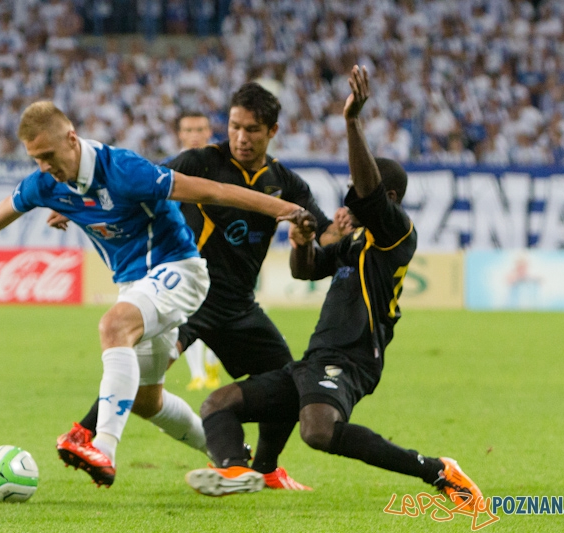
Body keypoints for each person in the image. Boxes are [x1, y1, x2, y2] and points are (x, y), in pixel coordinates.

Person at [0, 101, 316, 488]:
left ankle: (102, 449)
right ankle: (236, 465)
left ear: (71, 139)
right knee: (149, 401)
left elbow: (213, 191)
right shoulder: (45, 184)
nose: (45, 167)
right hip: (135, 283)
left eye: (49, 156)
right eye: (35, 159)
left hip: (180, 270)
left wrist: (286, 210)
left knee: (113, 325)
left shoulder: (125, 170)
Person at [184, 66, 483, 511]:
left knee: (317, 431)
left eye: (359, 195)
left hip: (354, 358)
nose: (348, 201)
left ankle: (438, 469)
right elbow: (306, 271)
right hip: (317, 359)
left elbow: (368, 191)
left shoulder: (396, 236)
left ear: (389, 202)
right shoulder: (354, 245)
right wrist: (302, 242)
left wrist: (352, 122)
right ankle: (236, 470)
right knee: (217, 403)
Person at [59, 82, 349, 491]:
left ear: (273, 131)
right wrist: (78, 208)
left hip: (239, 307)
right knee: (143, 377)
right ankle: (84, 434)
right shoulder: (200, 162)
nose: (241, 138)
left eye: (252, 130)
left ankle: (264, 469)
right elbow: (139, 187)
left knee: (285, 384)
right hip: (188, 296)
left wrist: (341, 229)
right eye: (235, 127)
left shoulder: (285, 182)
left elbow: (324, 237)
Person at [164, 111, 223, 391]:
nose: (195, 134)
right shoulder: (172, 172)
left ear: (209, 131)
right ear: (180, 134)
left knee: (219, 314)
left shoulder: (221, 167)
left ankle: (211, 366)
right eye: (189, 129)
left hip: (222, 255)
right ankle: (199, 374)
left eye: (201, 128)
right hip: (187, 257)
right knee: (187, 315)